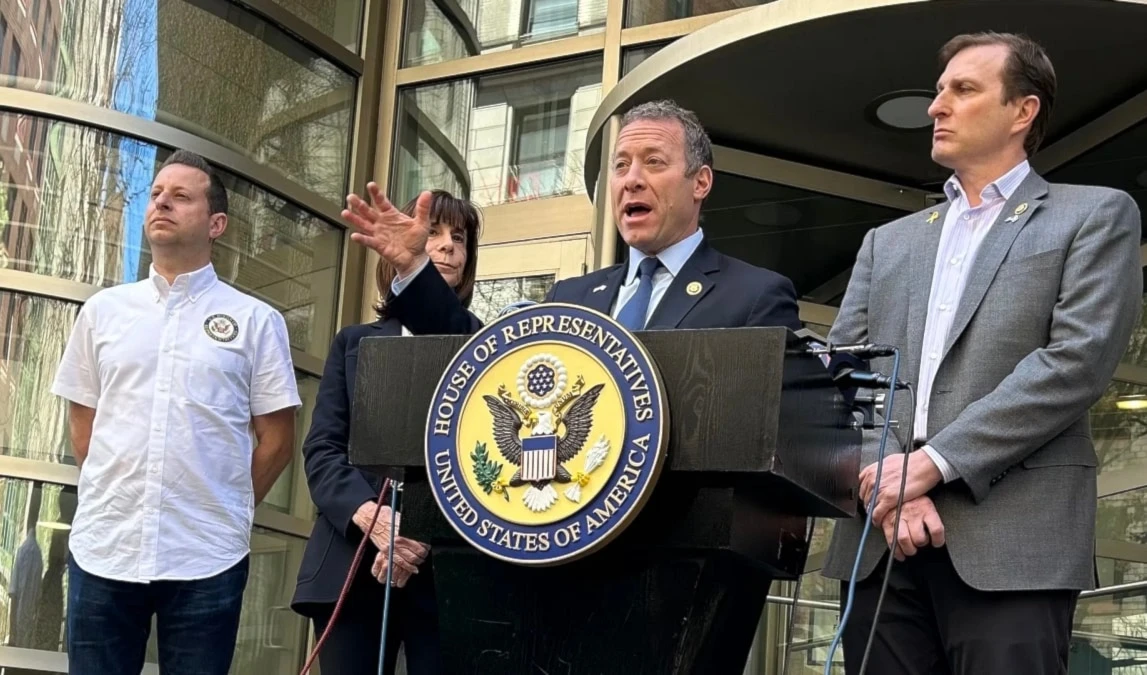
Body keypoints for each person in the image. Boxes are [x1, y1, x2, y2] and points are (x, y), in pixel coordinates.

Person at [822, 32, 1142, 675]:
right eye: (939, 90)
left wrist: (933, 464)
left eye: (963, 90)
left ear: (1023, 111)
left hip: (1013, 546)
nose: (938, 106)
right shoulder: (888, 241)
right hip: (880, 541)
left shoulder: (1094, 215)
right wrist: (893, 481)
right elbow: (842, 375)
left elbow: (1074, 362)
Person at [50, 150, 301, 675]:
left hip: (207, 557)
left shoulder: (255, 321)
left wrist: (225, 507)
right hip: (106, 547)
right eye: (157, 193)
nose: (161, 201)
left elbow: (277, 440)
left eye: (180, 195)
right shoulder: (103, 312)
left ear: (216, 224)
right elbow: (83, 427)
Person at [341, 99, 802, 335]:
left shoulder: (756, 296)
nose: (631, 180)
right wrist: (414, 269)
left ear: (700, 182)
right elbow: (474, 354)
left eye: (654, 163)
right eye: (621, 166)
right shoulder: (571, 298)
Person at [291, 190, 482, 675]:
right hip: (351, 564)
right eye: (433, 233)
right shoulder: (353, 344)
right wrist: (373, 519)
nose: (446, 247)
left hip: (443, 576)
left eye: (458, 238)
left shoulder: (480, 346)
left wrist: (419, 531)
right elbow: (322, 451)